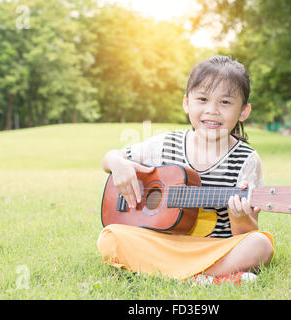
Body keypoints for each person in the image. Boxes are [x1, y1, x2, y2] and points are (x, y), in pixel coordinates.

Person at [98, 55, 274, 285]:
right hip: (163, 243)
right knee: (110, 237)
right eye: (202, 99)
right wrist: (117, 164)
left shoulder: (246, 160)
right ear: (186, 103)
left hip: (212, 248)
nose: (212, 110)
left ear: (243, 111)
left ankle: (184, 274)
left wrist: (238, 216)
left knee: (260, 245)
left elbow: (244, 233)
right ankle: (208, 278)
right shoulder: (164, 144)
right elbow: (109, 158)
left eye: (225, 102)